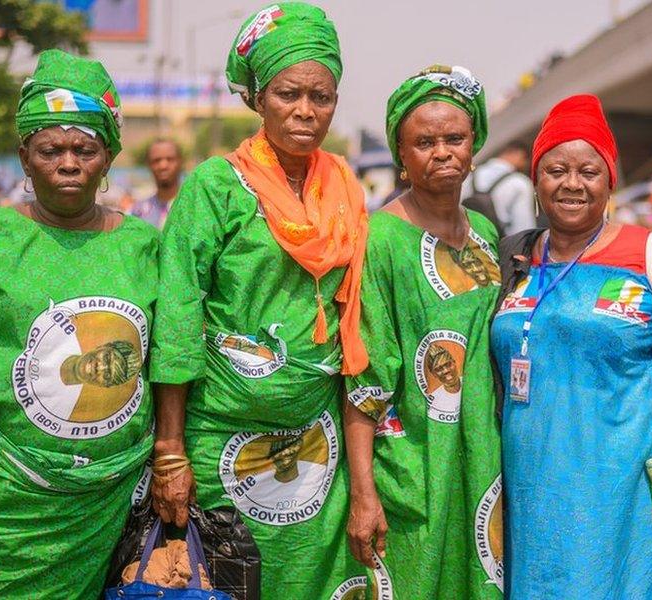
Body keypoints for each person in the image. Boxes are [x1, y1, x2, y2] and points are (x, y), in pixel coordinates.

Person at [490, 94, 652, 599]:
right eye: (555, 169)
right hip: (532, 490)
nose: (571, 183)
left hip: (625, 493)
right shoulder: (515, 259)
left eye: (588, 170)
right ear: (536, 181)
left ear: (610, 179)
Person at [148, 4, 369, 598]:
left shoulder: (346, 187)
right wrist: (169, 453)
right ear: (258, 99)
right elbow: (176, 316)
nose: (305, 110)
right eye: (287, 94)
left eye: (320, 96)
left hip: (315, 453)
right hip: (222, 446)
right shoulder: (215, 188)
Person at [0, 49, 157, 598]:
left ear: (108, 157)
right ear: (24, 157)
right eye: (50, 149)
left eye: (85, 149)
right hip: (2, 498)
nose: (67, 162)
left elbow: (176, 352)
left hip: (109, 502)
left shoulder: (146, 247)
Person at [344, 65, 503, 599]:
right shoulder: (382, 238)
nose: (443, 152)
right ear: (402, 156)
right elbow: (365, 374)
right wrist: (364, 493)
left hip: (483, 455)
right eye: (424, 142)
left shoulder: (483, 232)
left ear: (474, 144)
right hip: (412, 461)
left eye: (455, 138)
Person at [462, 140, 536, 236]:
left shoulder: (469, 176)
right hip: (500, 247)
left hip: (470, 243)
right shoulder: (520, 183)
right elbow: (524, 229)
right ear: (521, 155)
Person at [132, 138, 183, 229]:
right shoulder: (139, 212)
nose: (163, 165)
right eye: (156, 160)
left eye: (170, 159)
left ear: (180, 162)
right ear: (148, 164)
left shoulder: (194, 207)